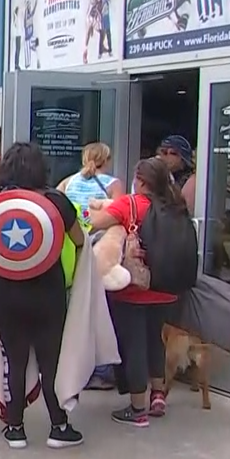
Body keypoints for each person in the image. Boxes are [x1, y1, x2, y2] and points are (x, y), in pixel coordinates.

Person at [0, 142, 85, 449]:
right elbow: (79, 240)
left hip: (2, 289)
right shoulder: (55, 200)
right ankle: (58, 426)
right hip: (46, 290)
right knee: (49, 360)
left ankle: (15, 428)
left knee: (14, 358)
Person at [87, 158, 183, 426]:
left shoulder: (128, 204)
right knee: (156, 341)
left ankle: (137, 409)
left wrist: (90, 206)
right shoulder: (175, 206)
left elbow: (92, 223)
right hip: (166, 289)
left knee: (134, 346)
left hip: (133, 288)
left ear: (140, 181)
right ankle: (158, 395)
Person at [57, 141, 123, 391]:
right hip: (98, 252)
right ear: (106, 160)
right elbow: (120, 215)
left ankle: (70, 368)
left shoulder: (68, 182)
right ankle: (100, 371)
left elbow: (57, 209)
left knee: (71, 310)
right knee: (97, 312)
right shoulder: (112, 184)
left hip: (71, 251)